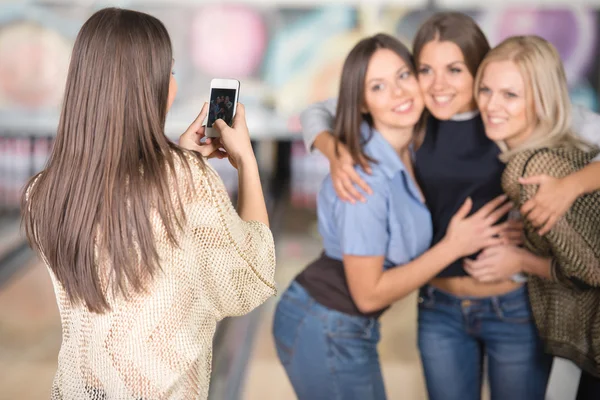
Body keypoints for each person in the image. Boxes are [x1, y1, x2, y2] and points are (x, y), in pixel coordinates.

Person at [300, 12, 600, 400]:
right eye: (425, 70)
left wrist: (569, 187)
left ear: (480, 70)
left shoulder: (506, 114)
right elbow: (318, 111)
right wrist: (335, 149)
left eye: (455, 70)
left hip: (512, 308)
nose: (439, 85)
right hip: (439, 308)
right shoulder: (414, 115)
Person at [20, 8, 276, 400]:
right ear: (149, 85)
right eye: (169, 72)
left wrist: (176, 158)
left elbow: (117, 217)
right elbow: (250, 276)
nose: (171, 83)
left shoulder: (42, 192)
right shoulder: (185, 180)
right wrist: (248, 164)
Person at [272, 33, 513, 400]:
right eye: (378, 86)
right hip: (324, 323)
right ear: (363, 103)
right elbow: (368, 296)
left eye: (404, 75)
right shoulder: (363, 178)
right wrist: (454, 246)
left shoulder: (409, 147)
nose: (399, 92)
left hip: (343, 324)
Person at [468, 34, 600, 400]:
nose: (492, 105)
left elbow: (593, 272)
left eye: (510, 95)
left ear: (541, 100)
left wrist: (523, 260)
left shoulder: (530, 171)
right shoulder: (553, 151)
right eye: (486, 90)